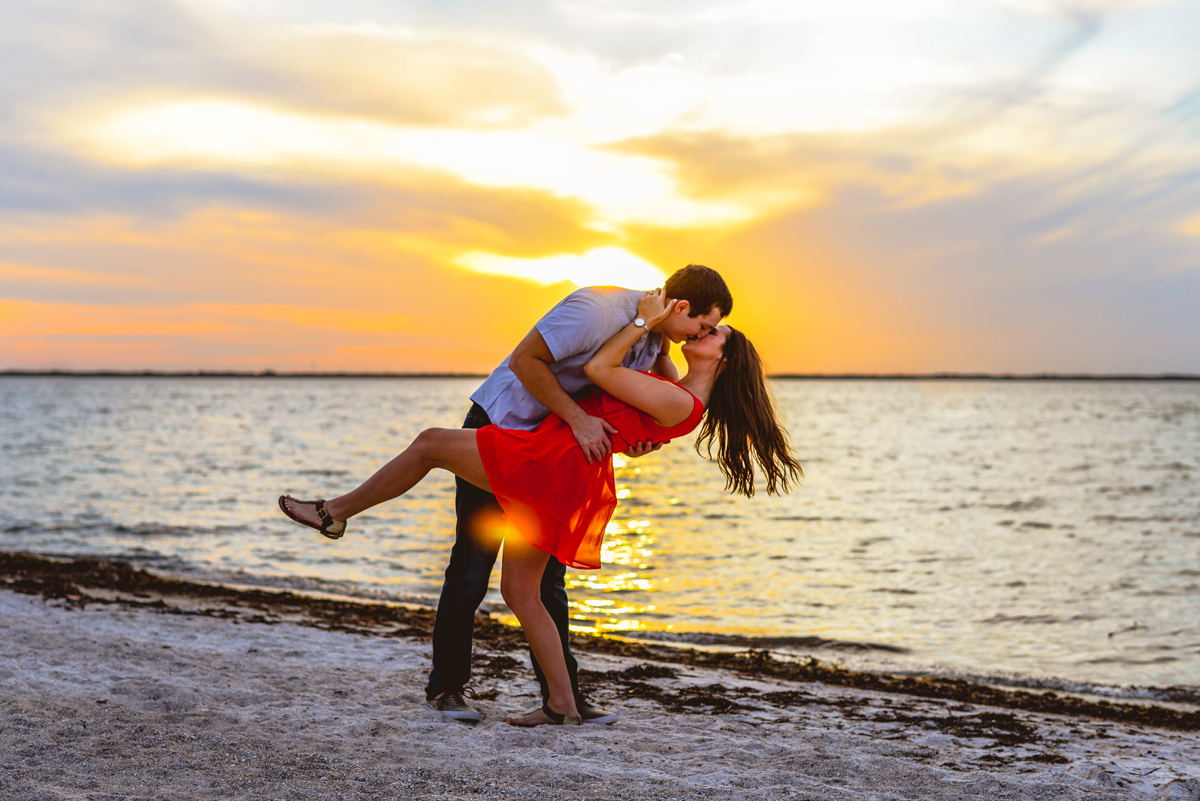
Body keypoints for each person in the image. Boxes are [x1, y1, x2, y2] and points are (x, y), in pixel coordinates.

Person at [279, 287, 802, 726]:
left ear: (723, 359)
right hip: (563, 467)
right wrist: (657, 332)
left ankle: (336, 511)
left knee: (428, 444)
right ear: (684, 306)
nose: (700, 335)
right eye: (704, 325)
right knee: (520, 591)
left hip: (550, 460)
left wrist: (644, 320)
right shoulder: (674, 382)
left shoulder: (678, 397)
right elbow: (645, 399)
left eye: (712, 335)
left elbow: (601, 367)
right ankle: (561, 704)